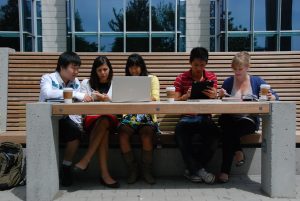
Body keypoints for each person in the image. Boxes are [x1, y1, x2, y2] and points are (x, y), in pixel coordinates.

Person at [218, 51, 279, 183]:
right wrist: (221, 95)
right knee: (225, 123)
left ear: (247, 67)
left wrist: (272, 96)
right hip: (230, 118)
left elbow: (275, 96)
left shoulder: (257, 81)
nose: (237, 72)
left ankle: (225, 170)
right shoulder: (228, 82)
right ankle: (237, 151)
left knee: (227, 133)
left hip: (248, 120)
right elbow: (221, 100)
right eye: (235, 69)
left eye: (240, 69)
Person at [39, 52, 92, 186]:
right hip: (47, 120)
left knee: (76, 134)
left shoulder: (75, 82)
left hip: (66, 120)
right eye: (73, 67)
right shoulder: (48, 78)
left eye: (78, 68)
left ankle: (66, 167)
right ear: (62, 67)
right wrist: (75, 94)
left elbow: (78, 104)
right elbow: (47, 93)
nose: (76, 72)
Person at [174, 47, 220, 184]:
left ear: (206, 64)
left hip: (205, 117)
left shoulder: (211, 77)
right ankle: (199, 170)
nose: (199, 68)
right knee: (180, 134)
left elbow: (216, 99)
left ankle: (192, 170)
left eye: (202, 65)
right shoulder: (181, 78)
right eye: (195, 65)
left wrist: (215, 96)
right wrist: (185, 96)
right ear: (190, 63)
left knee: (216, 135)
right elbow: (174, 100)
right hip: (187, 118)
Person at [73, 56, 119, 188]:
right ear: (95, 71)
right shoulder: (86, 83)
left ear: (110, 69)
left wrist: (106, 99)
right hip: (91, 119)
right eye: (99, 70)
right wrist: (93, 97)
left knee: (104, 120)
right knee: (103, 129)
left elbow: (121, 102)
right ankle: (105, 175)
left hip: (111, 119)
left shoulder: (116, 83)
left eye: (105, 69)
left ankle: (86, 159)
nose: (103, 73)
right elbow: (80, 102)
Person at [118, 53, 160, 185]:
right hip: (129, 117)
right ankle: (133, 169)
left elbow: (155, 98)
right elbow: (120, 100)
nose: (134, 70)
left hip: (146, 116)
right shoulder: (125, 81)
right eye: (131, 67)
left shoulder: (152, 78)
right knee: (123, 134)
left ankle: (146, 170)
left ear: (142, 67)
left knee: (146, 135)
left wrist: (135, 96)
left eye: (137, 66)